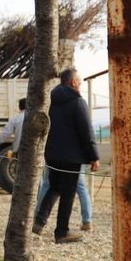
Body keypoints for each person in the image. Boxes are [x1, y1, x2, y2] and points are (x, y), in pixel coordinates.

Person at [32, 69, 100, 243]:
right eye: (79, 81)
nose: (81, 85)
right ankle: (62, 232)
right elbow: (86, 132)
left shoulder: (50, 102)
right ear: (73, 83)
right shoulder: (78, 102)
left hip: (52, 154)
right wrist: (94, 156)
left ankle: (38, 223)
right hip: (71, 157)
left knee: (54, 187)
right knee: (68, 193)